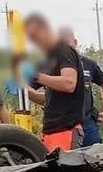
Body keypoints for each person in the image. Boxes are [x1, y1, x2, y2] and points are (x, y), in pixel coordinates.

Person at [21, 13, 85, 151]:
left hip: (66, 129)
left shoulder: (64, 51)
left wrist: (38, 77)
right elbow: (46, 99)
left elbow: (69, 84)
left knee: (65, 165)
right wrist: (22, 89)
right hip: (50, 130)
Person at [59, 27, 103, 146]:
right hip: (62, 125)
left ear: (75, 43)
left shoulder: (88, 64)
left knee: (94, 155)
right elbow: (31, 87)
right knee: (64, 156)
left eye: (67, 43)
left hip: (87, 123)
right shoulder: (51, 65)